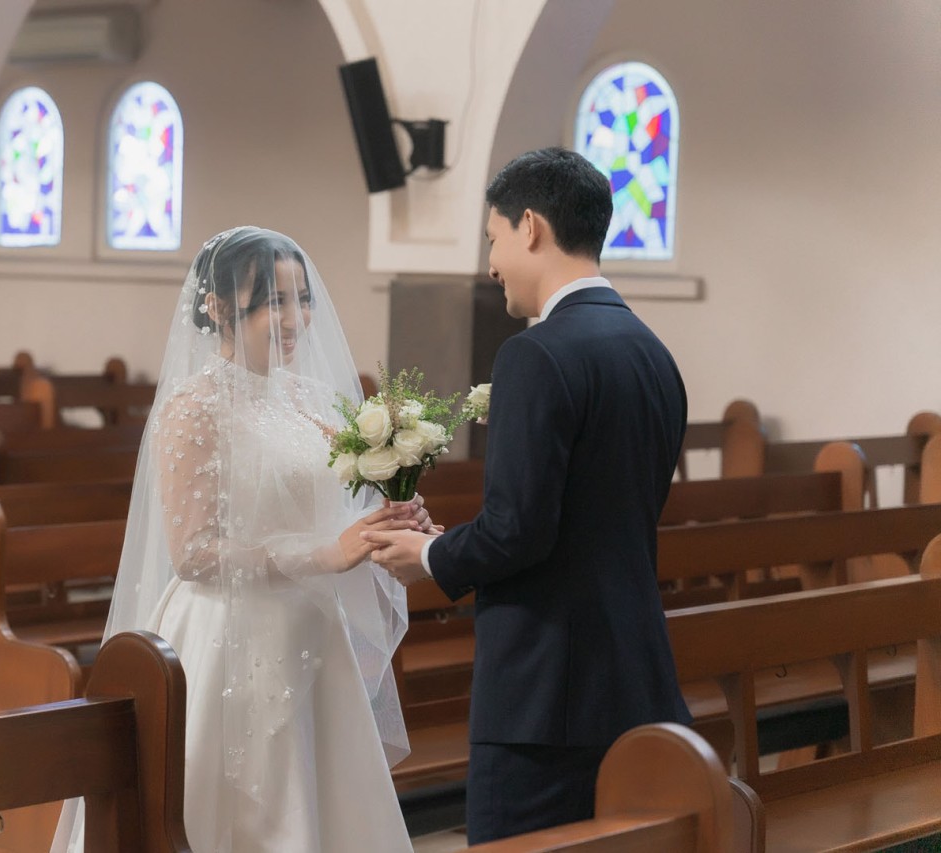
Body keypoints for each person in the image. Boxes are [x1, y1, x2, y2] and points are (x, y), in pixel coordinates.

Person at [53, 226, 419, 853]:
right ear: (219, 307)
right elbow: (193, 553)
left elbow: (339, 506)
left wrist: (391, 518)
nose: (296, 319)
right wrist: (327, 554)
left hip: (311, 628)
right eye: (274, 302)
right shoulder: (192, 408)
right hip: (229, 638)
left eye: (302, 299)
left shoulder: (312, 400)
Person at [363, 147, 692, 844]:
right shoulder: (651, 351)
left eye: (493, 238)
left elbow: (519, 529)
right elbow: (589, 520)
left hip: (544, 698)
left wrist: (429, 555)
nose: (491, 264)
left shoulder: (535, 353)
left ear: (531, 227)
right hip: (635, 677)